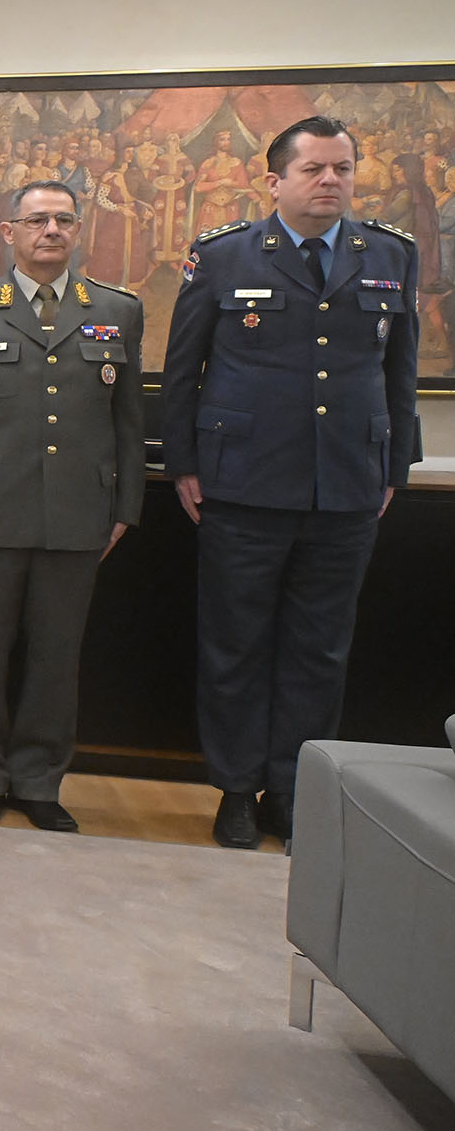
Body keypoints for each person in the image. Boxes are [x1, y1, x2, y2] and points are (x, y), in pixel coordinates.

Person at [162, 115, 420, 850]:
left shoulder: (390, 254)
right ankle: (236, 789)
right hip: (242, 483)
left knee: (320, 650)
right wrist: (183, 462)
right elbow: (183, 369)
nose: (331, 181)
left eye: (342, 168)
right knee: (235, 645)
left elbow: (398, 370)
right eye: (314, 169)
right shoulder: (224, 255)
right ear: (274, 181)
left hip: (347, 485)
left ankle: (292, 790)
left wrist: (393, 466)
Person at [0, 180, 145, 833]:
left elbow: (129, 420)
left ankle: (40, 779)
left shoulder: (117, 310)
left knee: (57, 654)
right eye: (37, 220)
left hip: (79, 510)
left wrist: (125, 505)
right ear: (8, 232)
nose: (51, 230)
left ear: (78, 230)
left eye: (63, 220)